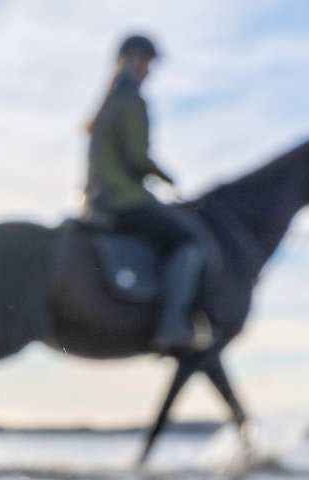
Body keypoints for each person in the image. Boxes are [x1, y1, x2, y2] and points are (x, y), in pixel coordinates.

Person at [84, 33, 208, 354]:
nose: (149, 71)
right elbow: (138, 158)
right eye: (147, 63)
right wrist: (164, 176)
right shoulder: (131, 101)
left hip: (96, 198)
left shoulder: (107, 103)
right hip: (123, 198)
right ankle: (171, 325)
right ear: (133, 61)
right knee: (190, 240)